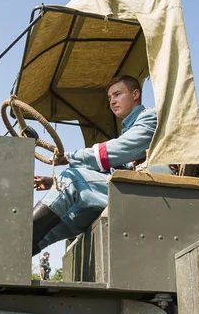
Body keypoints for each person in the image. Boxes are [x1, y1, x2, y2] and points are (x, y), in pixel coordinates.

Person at [32, 75, 174, 255]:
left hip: (153, 190)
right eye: (109, 98)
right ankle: (10, 256)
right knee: (71, 216)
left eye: (117, 94)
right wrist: (54, 182)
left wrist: (69, 158)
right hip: (135, 188)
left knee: (71, 180)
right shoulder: (129, 128)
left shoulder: (150, 118)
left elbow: (117, 151)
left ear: (135, 94)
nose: (112, 101)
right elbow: (109, 168)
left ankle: (15, 236)